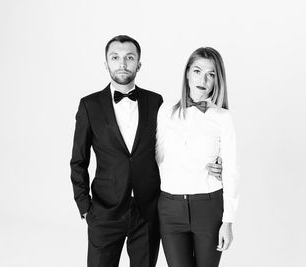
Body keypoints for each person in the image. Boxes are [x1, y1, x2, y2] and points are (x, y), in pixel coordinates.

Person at [70, 35, 222, 267]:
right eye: (115, 57)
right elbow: (78, 161)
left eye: (129, 58)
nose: (122, 63)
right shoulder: (89, 105)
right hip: (104, 212)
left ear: (139, 64)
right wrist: (85, 208)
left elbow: (173, 147)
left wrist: (215, 162)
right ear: (106, 63)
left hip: (147, 212)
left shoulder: (155, 102)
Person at [156, 47, 239, 267]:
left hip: (209, 208)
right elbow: (155, 159)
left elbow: (231, 171)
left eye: (211, 74)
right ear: (187, 73)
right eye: (197, 71)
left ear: (216, 80)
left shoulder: (223, 118)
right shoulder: (165, 112)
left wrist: (228, 221)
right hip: (170, 208)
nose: (203, 79)